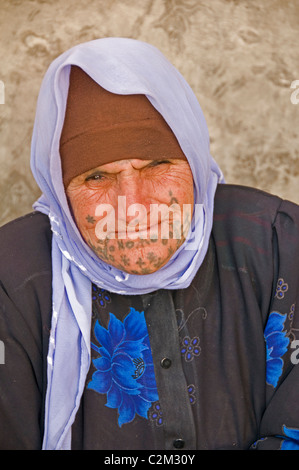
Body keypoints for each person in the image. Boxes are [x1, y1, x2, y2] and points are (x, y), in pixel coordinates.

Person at [0, 37, 299, 451]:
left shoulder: (277, 242)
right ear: (60, 192)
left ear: (193, 162)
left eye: (157, 165)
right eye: (96, 177)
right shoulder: (12, 276)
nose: (132, 206)